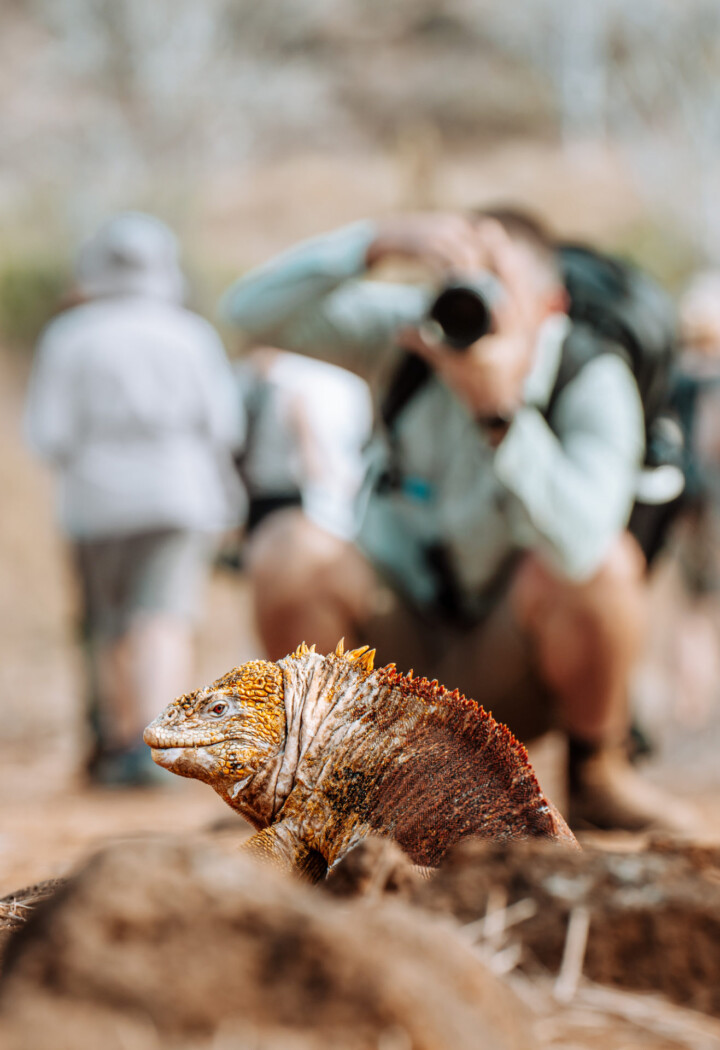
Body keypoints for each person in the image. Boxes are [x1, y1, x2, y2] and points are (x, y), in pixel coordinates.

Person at [220, 210, 695, 832]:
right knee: (288, 547)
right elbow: (248, 314)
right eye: (461, 279)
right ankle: (330, 790)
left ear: (552, 306)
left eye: (498, 281)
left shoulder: (592, 376)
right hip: (400, 658)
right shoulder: (412, 336)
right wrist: (378, 244)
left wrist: (500, 414)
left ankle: (597, 774)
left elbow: (583, 550)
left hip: (520, 664)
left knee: (608, 565)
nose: (475, 298)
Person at [25, 212, 244, 786]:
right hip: (179, 492)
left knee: (107, 623)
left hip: (94, 501)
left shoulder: (69, 335)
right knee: (164, 614)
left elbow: (47, 434)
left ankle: (118, 743)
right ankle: (160, 748)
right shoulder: (190, 332)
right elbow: (225, 425)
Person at [235, 347, 373, 539]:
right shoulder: (340, 388)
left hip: (285, 492)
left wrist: (317, 474)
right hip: (289, 491)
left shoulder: (292, 387)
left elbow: (308, 441)